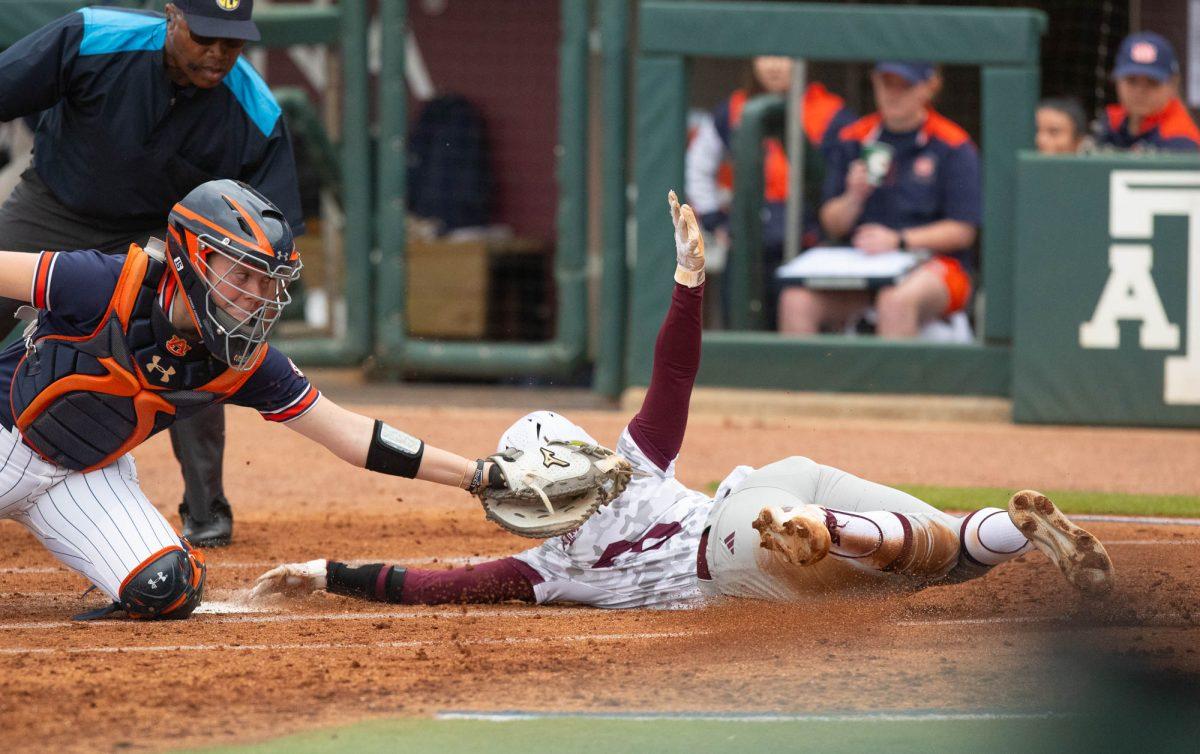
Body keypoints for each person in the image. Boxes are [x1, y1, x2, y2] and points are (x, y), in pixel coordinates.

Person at [251, 191, 1113, 609]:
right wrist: (688, 280)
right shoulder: (631, 467)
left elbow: (433, 586)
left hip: (739, 551)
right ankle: (1013, 529)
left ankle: (836, 538)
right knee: (947, 557)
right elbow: (673, 374)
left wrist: (330, 574)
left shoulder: (546, 566)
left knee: (875, 558)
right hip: (767, 492)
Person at [0, 179, 531, 621]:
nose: (257, 295)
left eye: (268, 282)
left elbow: (349, 435)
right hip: (6, 437)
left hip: (84, 476)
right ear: (194, 258)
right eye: (245, 274)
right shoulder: (105, 283)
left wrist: (478, 476)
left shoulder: (246, 360)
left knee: (165, 589)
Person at [0, 0, 306, 547]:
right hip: (57, 203)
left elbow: (273, 232)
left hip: (159, 237)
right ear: (172, 16)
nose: (218, 55)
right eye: (204, 37)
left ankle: (207, 508)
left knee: (198, 339)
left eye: (232, 43)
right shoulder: (93, 36)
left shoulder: (255, 112)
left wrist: (231, 298)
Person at [777, 62, 980, 339]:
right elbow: (831, 222)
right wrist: (853, 197)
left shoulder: (953, 145)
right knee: (795, 300)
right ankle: (806, 383)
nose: (893, 94)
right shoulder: (854, 138)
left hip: (935, 266)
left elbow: (962, 231)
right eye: (886, 84)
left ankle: (895, 385)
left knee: (894, 300)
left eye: (904, 86)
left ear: (928, 88)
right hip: (862, 265)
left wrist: (898, 240)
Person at [686, 56, 855, 327]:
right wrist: (713, 219)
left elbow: (845, 182)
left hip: (806, 241)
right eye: (766, 56)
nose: (774, 66)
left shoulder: (832, 112)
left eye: (784, 56)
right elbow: (698, 166)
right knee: (741, 333)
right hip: (749, 241)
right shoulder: (734, 107)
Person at [1096, 32, 1200, 152]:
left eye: (1152, 82)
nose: (1140, 91)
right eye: (1132, 80)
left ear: (1173, 84)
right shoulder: (1112, 121)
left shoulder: (1181, 138)